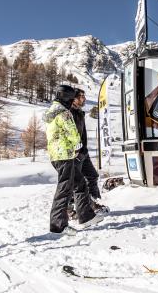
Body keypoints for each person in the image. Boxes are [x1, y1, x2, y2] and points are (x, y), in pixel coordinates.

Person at [43, 85, 103, 235]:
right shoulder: (64, 114)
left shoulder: (50, 111)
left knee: (80, 183)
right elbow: (74, 134)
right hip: (66, 155)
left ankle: (87, 216)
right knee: (64, 189)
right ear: (67, 98)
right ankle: (58, 225)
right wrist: (78, 147)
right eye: (71, 99)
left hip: (56, 154)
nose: (71, 102)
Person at [67, 88, 107, 219]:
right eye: (81, 96)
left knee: (92, 176)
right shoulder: (68, 114)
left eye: (84, 96)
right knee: (72, 182)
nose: (84, 99)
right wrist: (74, 151)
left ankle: (92, 202)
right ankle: (68, 210)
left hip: (83, 152)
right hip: (74, 154)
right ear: (74, 98)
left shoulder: (79, 113)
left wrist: (83, 149)